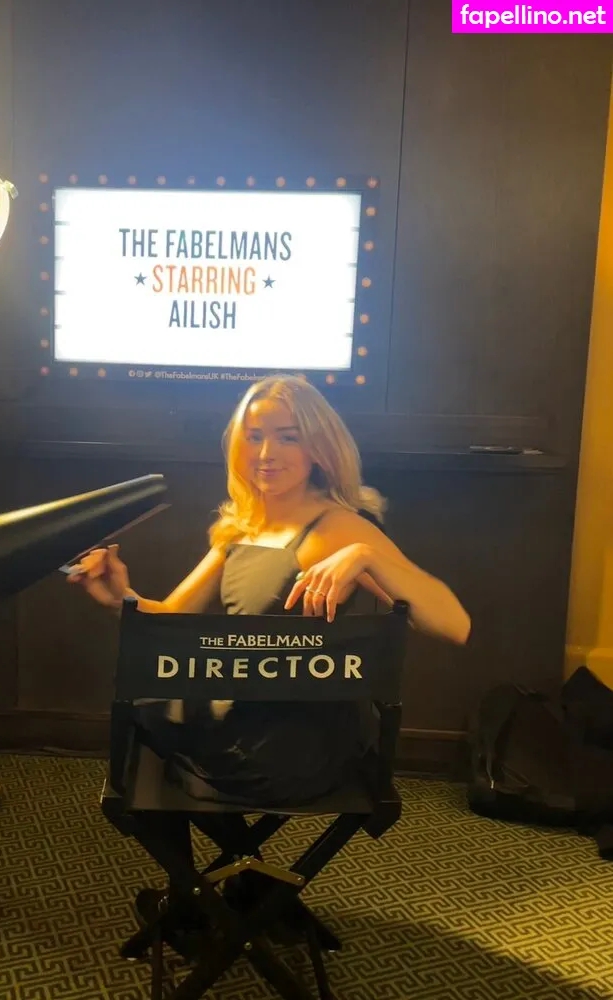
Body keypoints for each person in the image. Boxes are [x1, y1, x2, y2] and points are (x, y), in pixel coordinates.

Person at [69, 374, 470, 950]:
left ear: (319, 448)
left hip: (288, 751)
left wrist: (364, 555)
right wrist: (122, 599)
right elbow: (173, 619)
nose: (266, 453)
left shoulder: (340, 526)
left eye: (287, 437)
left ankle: (191, 904)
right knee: (147, 723)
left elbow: (455, 624)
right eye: (254, 436)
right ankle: (246, 890)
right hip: (255, 731)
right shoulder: (243, 524)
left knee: (138, 745)